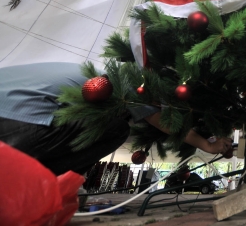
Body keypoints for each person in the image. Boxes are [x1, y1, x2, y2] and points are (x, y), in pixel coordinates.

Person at [0, 62, 232, 176]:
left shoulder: (87, 73)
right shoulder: (128, 82)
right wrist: (207, 145)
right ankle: (47, 187)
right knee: (114, 129)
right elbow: (161, 121)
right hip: (16, 121)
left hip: (15, 111)